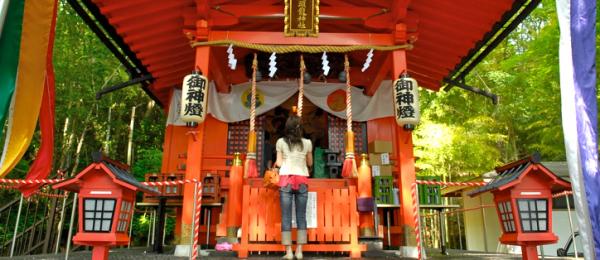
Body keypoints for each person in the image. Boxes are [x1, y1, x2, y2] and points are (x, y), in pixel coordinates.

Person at [274, 115, 312, 260]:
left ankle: (289, 252)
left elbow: (278, 163)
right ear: (300, 128)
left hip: (286, 180)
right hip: (302, 179)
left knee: (286, 217)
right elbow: (309, 162)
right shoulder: (307, 143)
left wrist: (286, 158)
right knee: (301, 216)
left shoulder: (281, 142)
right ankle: (300, 251)